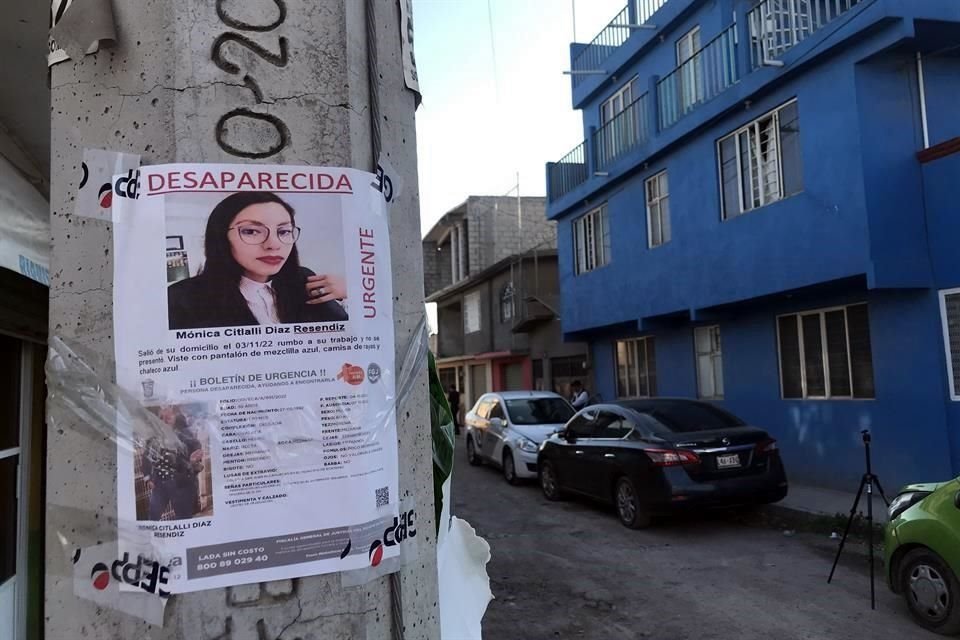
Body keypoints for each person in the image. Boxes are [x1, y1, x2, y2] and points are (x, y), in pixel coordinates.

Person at [168, 191, 349, 329]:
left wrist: (350, 295)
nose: (273, 244)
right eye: (251, 231)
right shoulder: (181, 298)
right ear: (221, 237)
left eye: (283, 231)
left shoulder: (304, 279)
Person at [141, 406, 204, 520]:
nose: (164, 421)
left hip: (181, 485)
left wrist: (193, 461)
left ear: (175, 417)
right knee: (153, 516)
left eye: (168, 417)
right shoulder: (154, 436)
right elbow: (146, 456)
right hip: (159, 484)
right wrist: (148, 478)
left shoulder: (184, 433)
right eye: (161, 417)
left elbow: (196, 449)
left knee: (183, 518)